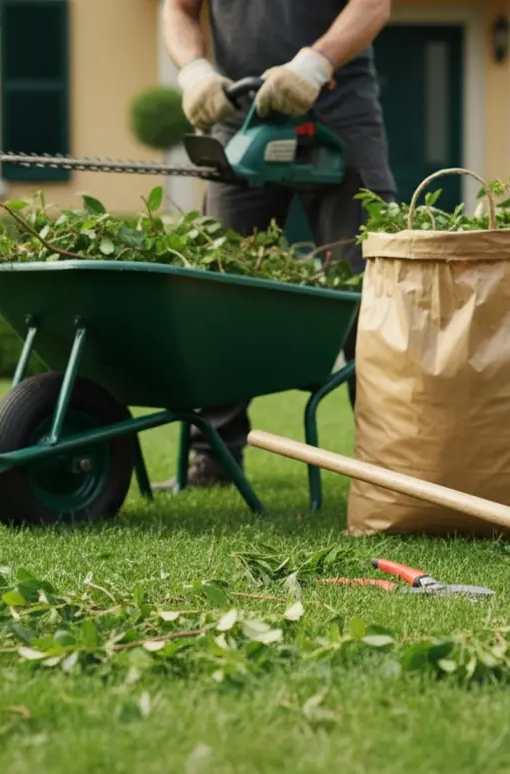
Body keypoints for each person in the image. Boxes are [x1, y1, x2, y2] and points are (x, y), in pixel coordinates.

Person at [159, 0, 397, 488]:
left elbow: (374, 5)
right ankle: (215, 457)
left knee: (371, 292)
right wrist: (194, 70)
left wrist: (317, 62)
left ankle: (389, 463)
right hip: (239, 118)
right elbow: (179, 9)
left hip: (338, 114)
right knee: (218, 287)